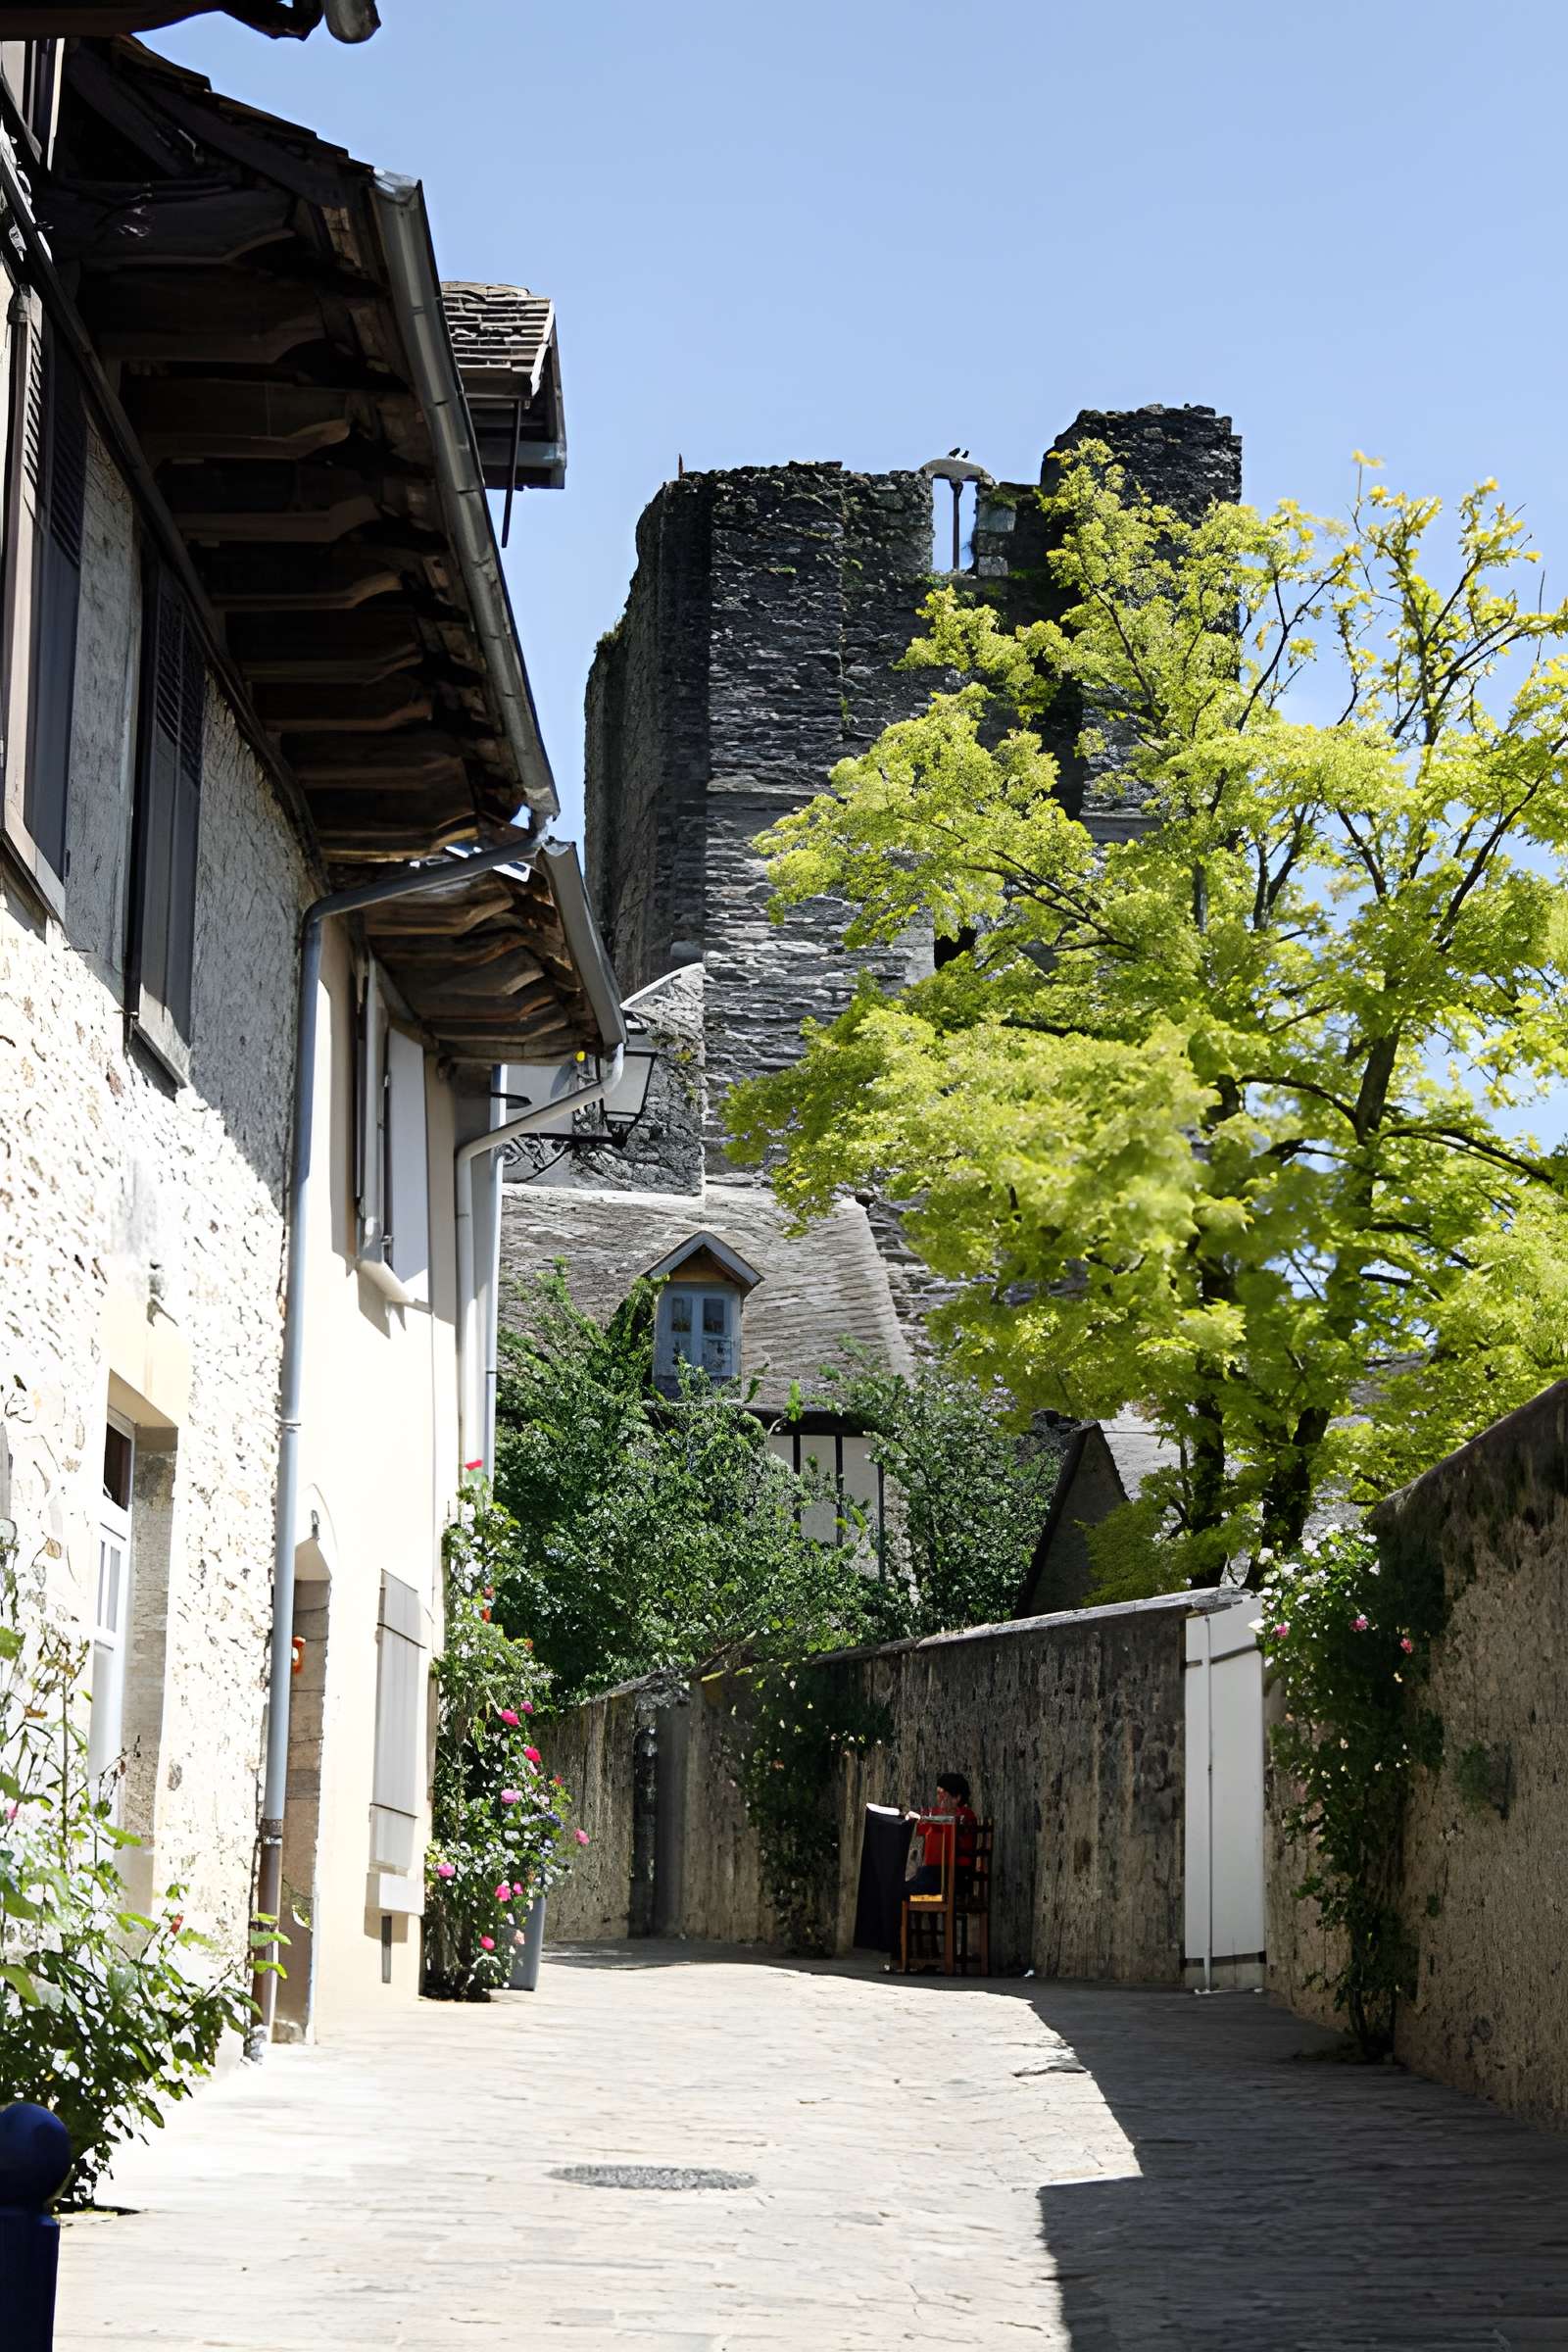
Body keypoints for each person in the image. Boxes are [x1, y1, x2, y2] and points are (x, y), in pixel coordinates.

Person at [893, 1771, 977, 1962]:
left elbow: (958, 1832)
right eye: (938, 1794)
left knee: (903, 1892)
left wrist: (941, 1817)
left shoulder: (965, 1816)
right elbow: (923, 1829)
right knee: (900, 1891)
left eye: (944, 1794)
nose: (939, 1799)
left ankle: (907, 1954)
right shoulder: (935, 1813)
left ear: (957, 1798)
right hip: (932, 1875)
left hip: (954, 1876)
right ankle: (911, 1953)